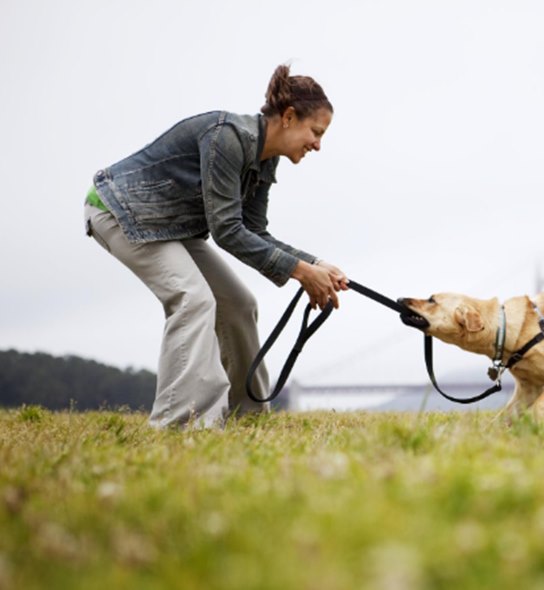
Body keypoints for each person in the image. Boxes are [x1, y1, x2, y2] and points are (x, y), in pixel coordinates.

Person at [84, 64, 349, 428]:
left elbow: (254, 230)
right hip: (120, 211)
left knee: (240, 304)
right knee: (194, 299)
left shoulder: (265, 161)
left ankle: (249, 418)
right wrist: (302, 273)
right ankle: (180, 424)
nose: (318, 145)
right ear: (289, 117)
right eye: (316, 132)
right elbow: (226, 230)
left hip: (171, 227)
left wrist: (316, 264)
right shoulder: (227, 136)